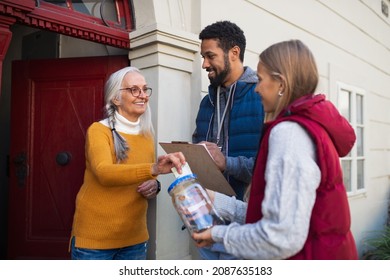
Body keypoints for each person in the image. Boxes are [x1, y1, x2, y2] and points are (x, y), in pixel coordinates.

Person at [193, 39, 358, 259]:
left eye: (261, 80)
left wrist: (218, 234)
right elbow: (271, 216)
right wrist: (215, 199)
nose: (257, 89)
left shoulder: (289, 134)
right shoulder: (306, 126)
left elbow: (280, 237)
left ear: (281, 83)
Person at [70, 66, 185, 260]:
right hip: (95, 240)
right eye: (134, 89)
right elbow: (104, 173)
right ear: (116, 98)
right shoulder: (98, 131)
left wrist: (154, 185)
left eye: (145, 89)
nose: (142, 95)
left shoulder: (146, 134)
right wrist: (154, 169)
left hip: (135, 239)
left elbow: (142, 176)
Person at [192, 20, 264, 259]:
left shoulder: (263, 99)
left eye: (210, 56)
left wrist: (227, 163)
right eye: (203, 57)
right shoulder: (207, 102)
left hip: (247, 227)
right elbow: (199, 152)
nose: (204, 64)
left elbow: (271, 170)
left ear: (234, 52)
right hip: (207, 222)